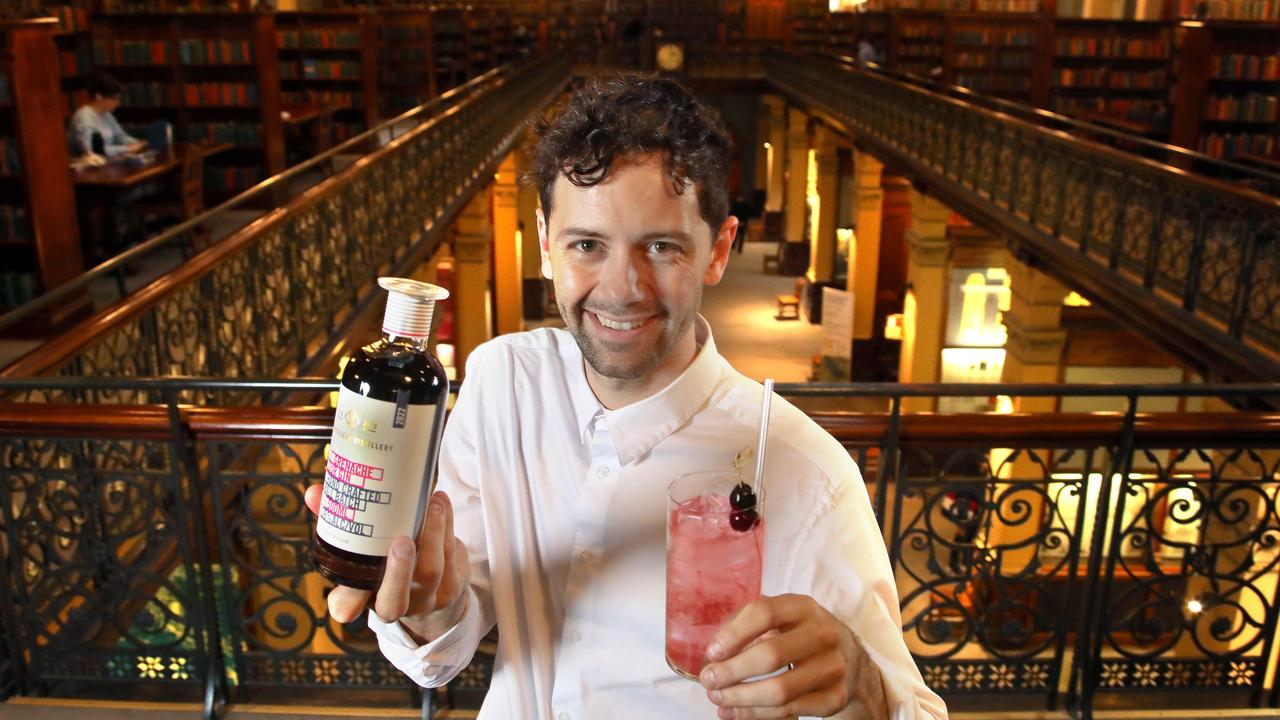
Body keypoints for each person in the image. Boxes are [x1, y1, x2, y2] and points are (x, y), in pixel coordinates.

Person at [306, 76, 947, 720]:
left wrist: (862, 687)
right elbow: (444, 646)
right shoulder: (502, 381)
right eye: (587, 245)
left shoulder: (808, 472)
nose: (621, 290)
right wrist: (431, 603)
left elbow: (913, 711)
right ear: (544, 242)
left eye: (661, 247)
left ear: (719, 251)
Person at [69, 72, 145, 159]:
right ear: (99, 96)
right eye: (114, 99)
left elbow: (119, 136)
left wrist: (139, 143)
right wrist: (126, 149)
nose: (117, 103)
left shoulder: (107, 114)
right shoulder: (83, 118)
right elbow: (91, 151)